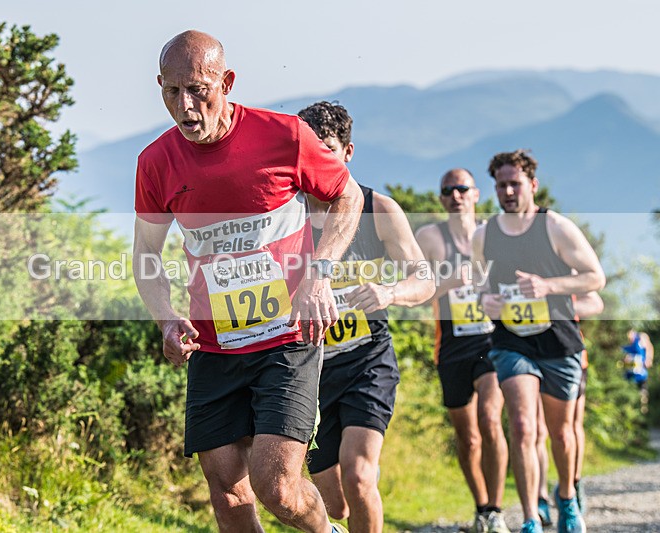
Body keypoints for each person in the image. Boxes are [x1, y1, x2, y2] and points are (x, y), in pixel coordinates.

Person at [132, 31, 364, 533]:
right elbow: (146, 254)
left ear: (227, 82)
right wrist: (166, 319)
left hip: (287, 337)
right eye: (172, 92)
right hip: (215, 346)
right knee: (228, 494)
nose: (186, 107)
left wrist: (320, 275)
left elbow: (349, 198)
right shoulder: (155, 162)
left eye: (198, 90)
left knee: (276, 486)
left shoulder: (283, 136)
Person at [297, 101, 434, 533]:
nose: (318, 161)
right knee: (332, 504)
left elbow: (425, 278)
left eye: (328, 149)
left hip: (366, 363)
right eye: (308, 151)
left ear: (348, 152)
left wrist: (389, 291)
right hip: (309, 370)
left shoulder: (379, 209)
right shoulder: (285, 214)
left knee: (359, 477)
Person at [472, 149, 606, 533]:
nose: (508, 191)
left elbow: (594, 278)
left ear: (532, 185)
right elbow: (480, 285)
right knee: (523, 426)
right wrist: (487, 300)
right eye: (501, 185)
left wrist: (548, 286)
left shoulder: (556, 227)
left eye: (515, 184)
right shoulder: (485, 235)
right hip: (511, 342)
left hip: (559, 340)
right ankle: (530, 516)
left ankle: (566, 497)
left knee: (563, 434)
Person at [415, 168, 510, 533]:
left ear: (476, 195)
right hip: (451, 344)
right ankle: (482, 506)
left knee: (489, 418)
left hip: (491, 340)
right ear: (441, 199)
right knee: (468, 436)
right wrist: (448, 281)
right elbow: (414, 290)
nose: (455, 195)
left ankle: (496, 511)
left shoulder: (496, 235)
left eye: (462, 188)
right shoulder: (429, 238)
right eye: (447, 190)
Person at [536, 292, 604, 525]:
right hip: (529, 350)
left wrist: (559, 305)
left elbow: (595, 302)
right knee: (535, 428)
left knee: (572, 427)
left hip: (569, 352)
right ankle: (539, 497)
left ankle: (573, 485)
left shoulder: (566, 265)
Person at [623, 329, 654, 414]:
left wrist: (649, 359)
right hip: (630, 369)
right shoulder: (624, 338)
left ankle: (643, 410)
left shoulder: (641, 336)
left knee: (643, 389)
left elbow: (649, 347)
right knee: (627, 388)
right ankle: (629, 410)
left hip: (641, 369)